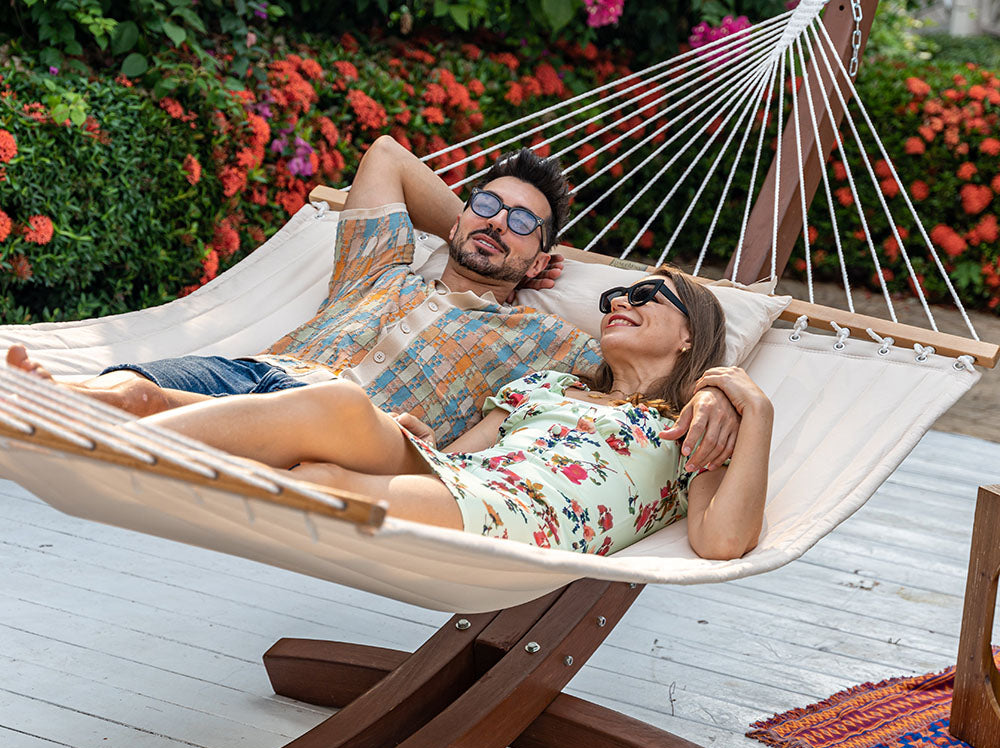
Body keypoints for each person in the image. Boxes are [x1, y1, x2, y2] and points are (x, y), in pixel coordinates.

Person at [6, 135, 740, 472]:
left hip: (337, 430)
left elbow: (648, 360)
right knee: (120, 388)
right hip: (246, 372)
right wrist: (473, 228)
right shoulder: (382, 263)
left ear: (544, 262)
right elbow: (387, 154)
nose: (496, 222)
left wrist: (720, 394)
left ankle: (37, 402)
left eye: (523, 224)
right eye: (488, 205)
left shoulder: (543, 343)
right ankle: (42, 405)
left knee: (132, 398)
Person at [136, 267, 772, 559]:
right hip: (462, 480)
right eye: (614, 295)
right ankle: (120, 423)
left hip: (520, 518)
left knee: (325, 483)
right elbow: (463, 458)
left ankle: (131, 450)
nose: (620, 302)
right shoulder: (548, 385)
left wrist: (756, 412)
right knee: (339, 404)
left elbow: (720, 542)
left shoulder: (692, 425)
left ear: (693, 335)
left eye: (646, 296)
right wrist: (416, 440)